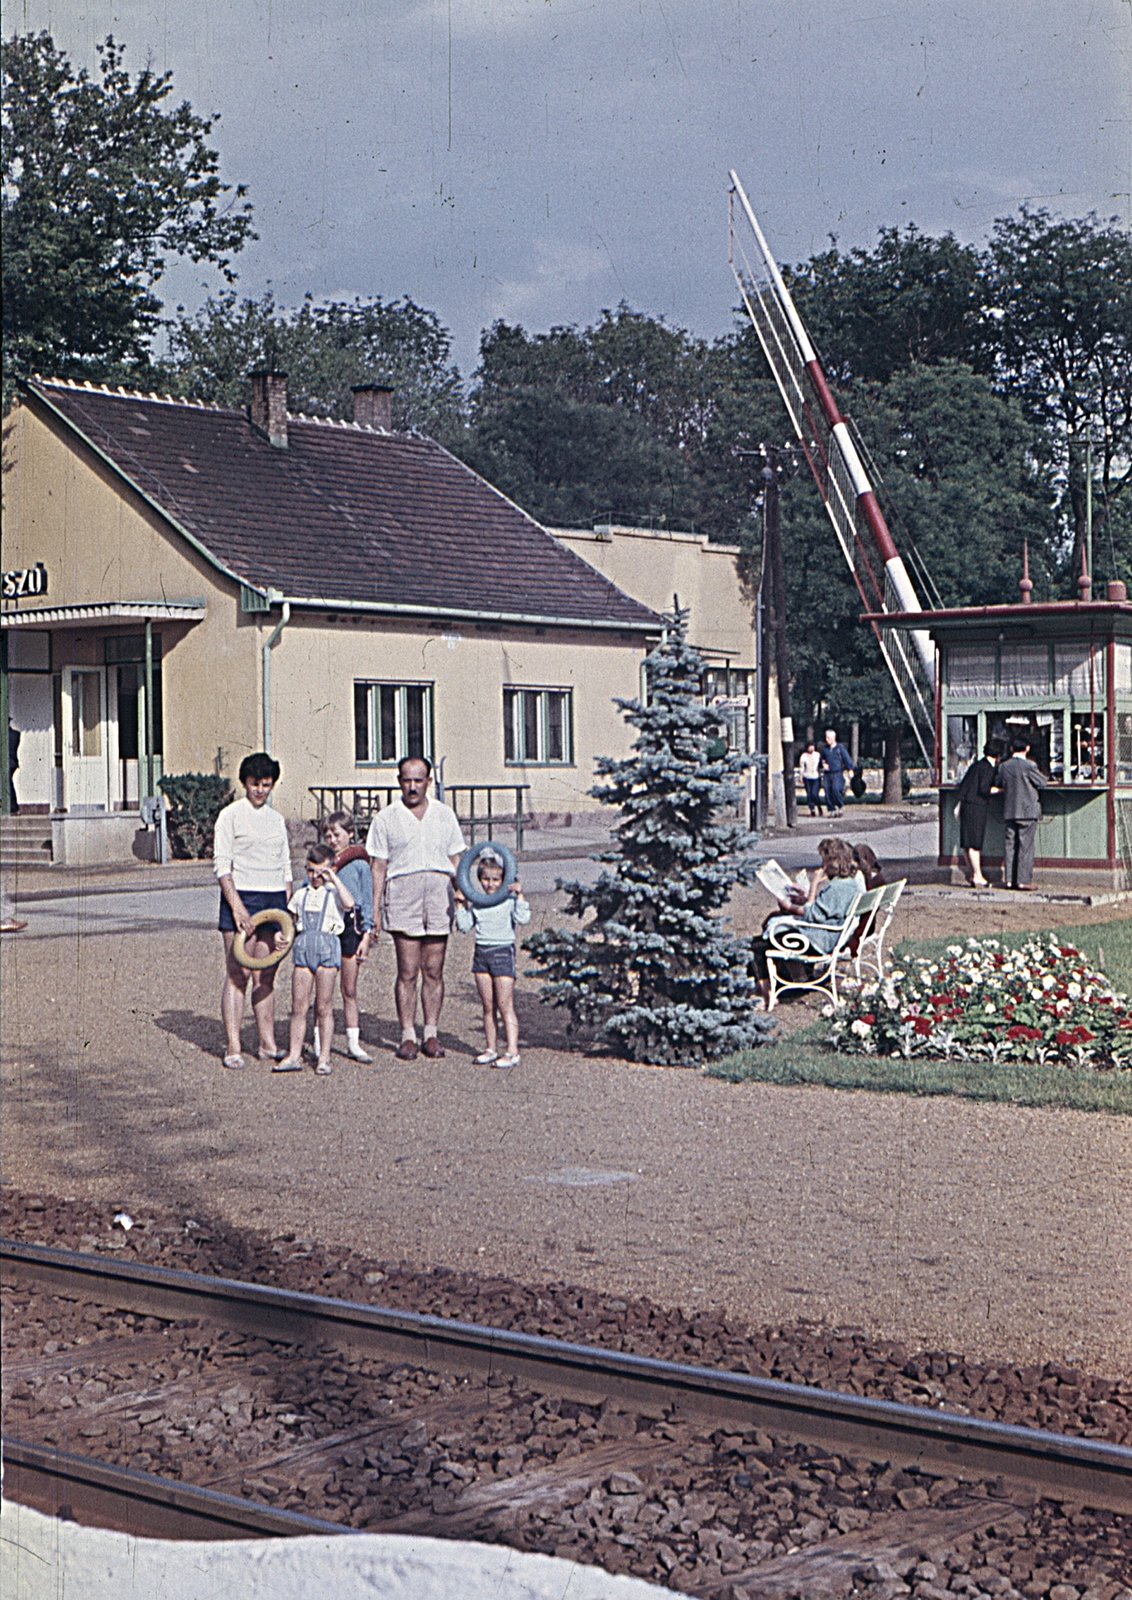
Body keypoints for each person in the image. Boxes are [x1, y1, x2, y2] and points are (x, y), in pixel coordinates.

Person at [366, 756, 466, 1060]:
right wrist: (375, 910)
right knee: (407, 970)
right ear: (399, 781)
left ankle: (431, 1033)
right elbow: (378, 866)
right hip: (403, 895)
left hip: (438, 894)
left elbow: (456, 859)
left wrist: (461, 893)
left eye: (418, 780)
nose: (412, 786)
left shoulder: (444, 815)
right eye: (406, 780)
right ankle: (407, 1034)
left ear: (428, 781)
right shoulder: (386, 818)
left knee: (434, 969)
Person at [214, 752, 293, 1070]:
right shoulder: (230, 816)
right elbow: (222, 867)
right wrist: (237, 908)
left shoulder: (276, 820)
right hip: (241, 896)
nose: (260, 790)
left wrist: (285, 910)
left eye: (266, 784)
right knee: (238, 973)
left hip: (273, 898)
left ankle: (267, 1043)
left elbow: (286, 867)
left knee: (266, 973)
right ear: (245, 783)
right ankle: (233, 1044)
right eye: (254, 784)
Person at [749, 836, 864, 1004]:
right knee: (770, 931)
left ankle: (767, 994)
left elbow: (811, 914)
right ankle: (786, 981)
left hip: (819, 940)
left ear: (834, 862)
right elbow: (823, 908)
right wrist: (806, 896)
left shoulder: (838, 887)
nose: (823, 866)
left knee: (757, 945)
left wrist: (806, 891)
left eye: (825, 861)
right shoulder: (847, 883)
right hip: (827, 935)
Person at [275, 844, 356, 1075]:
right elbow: (289, 920)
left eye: (321, 871)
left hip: (327, 949)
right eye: (311, 870)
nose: (315, 876)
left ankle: (324, 1057)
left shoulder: (335, 894)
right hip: (303, 949)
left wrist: (333, 878)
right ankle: (294, 1054)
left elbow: (350, 904)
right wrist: (281, 934)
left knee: (324, 1006)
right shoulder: (301, 895)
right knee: (298, 1006)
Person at [454, 850, 531, 1069]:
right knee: (488, 1006)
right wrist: (461, 904)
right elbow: (464, 925)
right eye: (486, 879)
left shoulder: (507, 901)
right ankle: (490, 1048)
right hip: (482, 954)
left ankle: (512, 1051)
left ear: (503, 879)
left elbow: (523, 918)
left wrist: (520, 895)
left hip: (502, 952)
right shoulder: (479, 902)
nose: (490, 884)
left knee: (505, 1004)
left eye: (495, 879)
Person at [319, 811, 375, 1062]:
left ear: (350, 834)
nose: (332, 839)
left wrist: (367, 935)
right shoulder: (322, 866)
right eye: (328, 835)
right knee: (323, 991)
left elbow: (368, 901)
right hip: (326, 929)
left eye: (337, 834)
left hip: (351, 929)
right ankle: (320, 1041)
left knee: (349, 989)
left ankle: (354, 1042)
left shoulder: (361, 865)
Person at [998, 736, 1047, 891]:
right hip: (1027, 811)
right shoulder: (1029, 765)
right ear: (1027, 747)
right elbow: (1042, 782)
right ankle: (1023, 880)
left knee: (1010, 846)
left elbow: (999, 783)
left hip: (1009, 810)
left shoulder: (1004, 766)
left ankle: (1009, 880)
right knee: (1025, 847)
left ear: (1011, 748)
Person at [953, 739, 1001, 888]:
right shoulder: (988, 769)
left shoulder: (976, 766)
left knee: (967, 843)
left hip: (966, 805)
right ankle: (978, 876)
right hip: (977, 807)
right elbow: (984, 790)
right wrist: (1001, 790)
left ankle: (974, 874)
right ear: (998, 755)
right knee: (975, 843)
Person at [819, 728, 855, 816]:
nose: (827, 739)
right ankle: (831, 809)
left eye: (828, 738)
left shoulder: (840, 748)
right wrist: (823, 764)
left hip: (837, 772)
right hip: (827, 773)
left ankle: (840, 806)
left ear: (833, 738)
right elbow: (821, 760)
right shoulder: (824, 749)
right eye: (826, 737)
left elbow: (847, 758)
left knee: (836, 789)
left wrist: (850, 769)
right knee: (827, 791)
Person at [798, 740, 823, 816]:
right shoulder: (804, 756)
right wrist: (801, 776)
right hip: (807, 777)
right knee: (809, 794)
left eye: (813, 746)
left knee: (814, 794)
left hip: (816, 777)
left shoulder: (817, 755)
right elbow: (802, 767)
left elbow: (821, 764)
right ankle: (812, 810)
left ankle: (819, 807)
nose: (811, 748)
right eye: (810, 747)